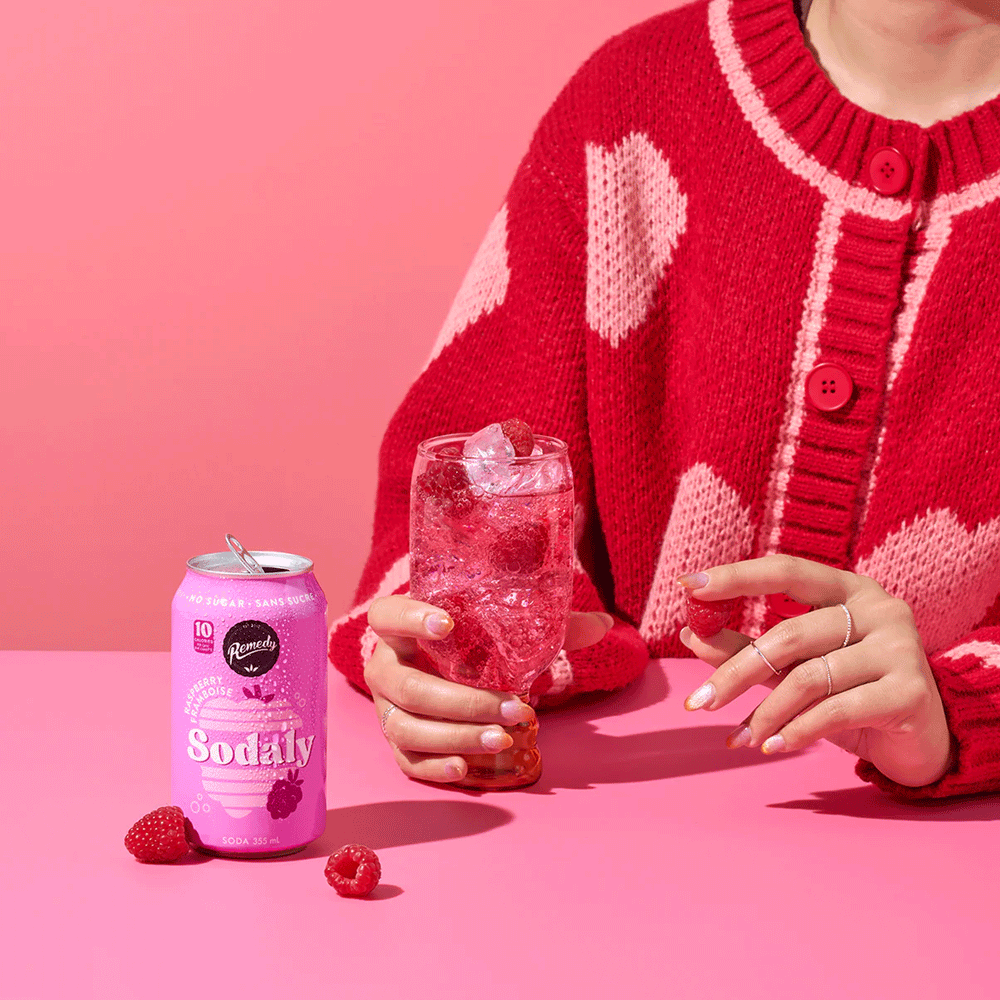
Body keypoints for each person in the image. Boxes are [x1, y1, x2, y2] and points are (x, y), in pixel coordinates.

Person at [328, 0, 1000, 799]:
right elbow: (463, 495)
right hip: (597, 821)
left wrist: (957, 712)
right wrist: (442, 658)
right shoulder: (634, 105)